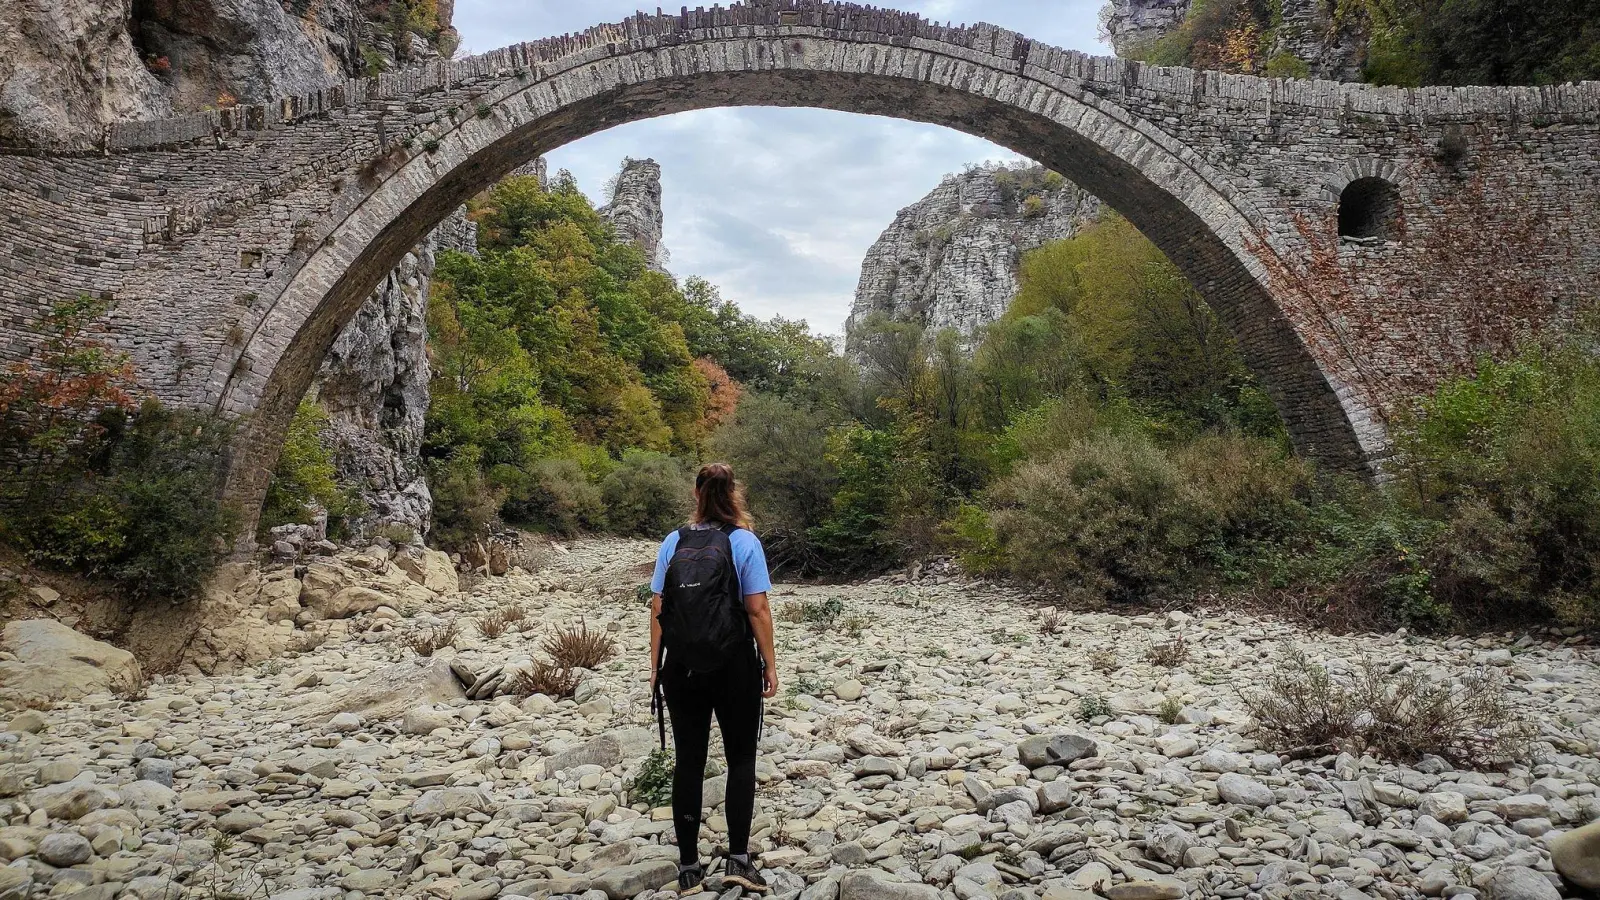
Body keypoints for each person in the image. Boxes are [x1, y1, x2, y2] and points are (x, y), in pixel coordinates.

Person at [649, 463, 778, 895]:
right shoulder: (744, 543)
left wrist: (655, 669)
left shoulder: (674, 541)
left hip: (680, 667)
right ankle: (739, 861)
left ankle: (688, 868)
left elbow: (659, 609)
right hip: (733, 665)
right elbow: (757, 609)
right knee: (740, 759)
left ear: (696, 493)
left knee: (689, 761)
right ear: (734, 493)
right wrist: (770, 664)